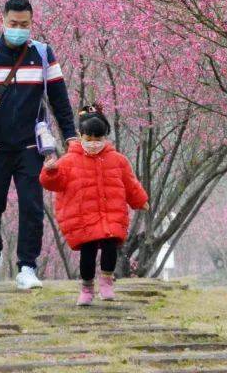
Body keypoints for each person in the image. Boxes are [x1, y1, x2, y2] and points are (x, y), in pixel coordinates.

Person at [0, 0, 77, 289]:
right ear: (3, 21)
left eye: (24, 25)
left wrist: (70, 135)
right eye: (13, 24)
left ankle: (27, 266)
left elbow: (59, 99)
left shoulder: (42, 53)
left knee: (32, 208)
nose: (18, 29)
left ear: (31, 23)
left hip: (29, 147)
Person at [40, 104, 149, 306]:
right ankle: (87, 288)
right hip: (84, 217)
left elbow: (130, 183)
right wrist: (50, 171)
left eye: (97, 139)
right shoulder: (68, 161)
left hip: (111, 213)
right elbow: (52, 183)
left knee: (110, 248)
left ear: (105, 137)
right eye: (88, 139)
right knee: (88, 253)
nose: (93, 143)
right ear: (80, 136)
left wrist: (140, 200)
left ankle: (107, 282)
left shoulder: (118, 160)